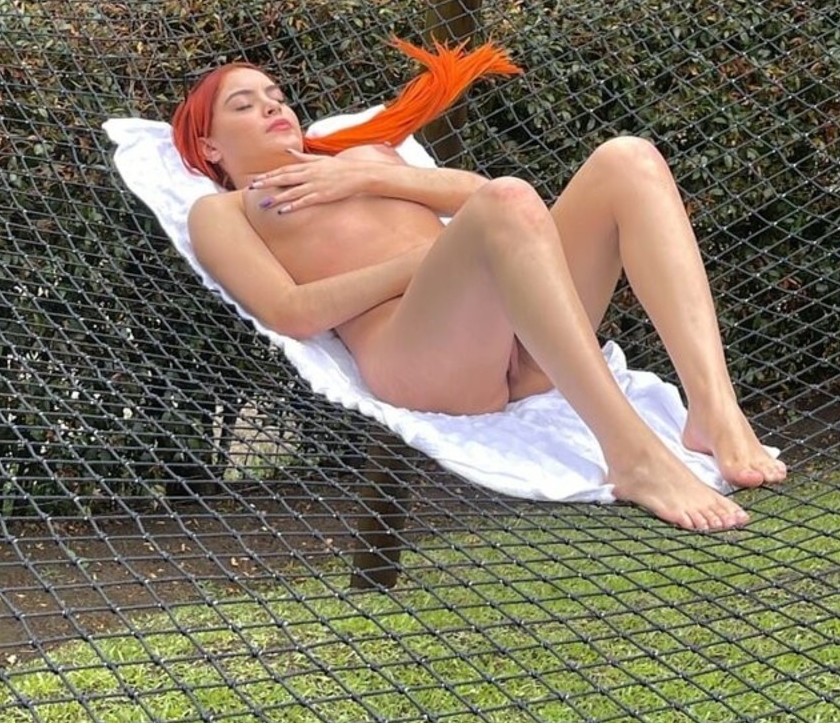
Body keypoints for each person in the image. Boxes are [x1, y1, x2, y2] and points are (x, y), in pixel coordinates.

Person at [172, 41, 786, 533]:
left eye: (276, 96)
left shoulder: (365, 158)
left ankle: (714, 410)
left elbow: (481, 196)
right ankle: (633, 455)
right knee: (507, 201)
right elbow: (291, 312)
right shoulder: (223, 212)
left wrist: (357, 175)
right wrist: (425, 260)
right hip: (422, 361)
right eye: (245, 105)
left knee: (629, 158)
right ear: (209, 145)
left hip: (519, 343)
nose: (272, 107)